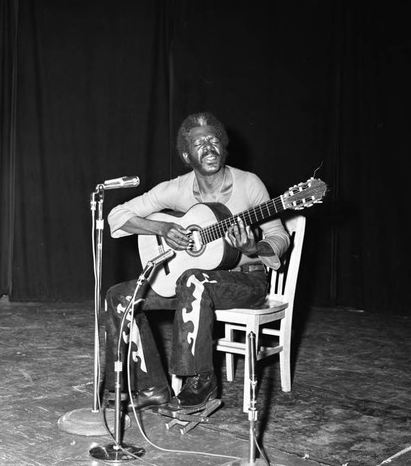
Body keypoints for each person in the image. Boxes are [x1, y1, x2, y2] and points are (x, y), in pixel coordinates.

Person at [104, 112, 290, 412]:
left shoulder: (248, 184)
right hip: (190, 284)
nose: (208, 147)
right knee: (120, 297)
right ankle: (151, 387)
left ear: (224, 146)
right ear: (186, 154)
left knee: (193, 278)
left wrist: (254, 247)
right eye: (199, 143)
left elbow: (279, 235)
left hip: (246, 280)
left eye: (214, 140)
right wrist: (162, 228)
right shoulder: (177, 188)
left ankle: (201, 385)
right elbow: (117, 216)